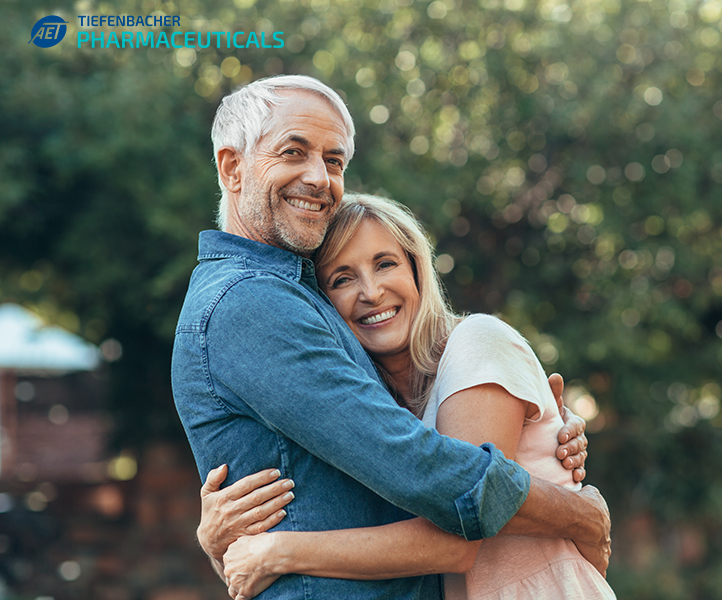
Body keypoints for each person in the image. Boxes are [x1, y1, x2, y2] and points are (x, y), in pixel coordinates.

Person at [171, 74, 610, 600]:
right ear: (232, 167)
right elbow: (415, 465)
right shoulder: (251, 303)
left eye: (334, 161)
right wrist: (579, 514)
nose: (318, 177)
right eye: (293, 152)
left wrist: (541, 441)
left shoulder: (295, 296)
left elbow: (385, 457)